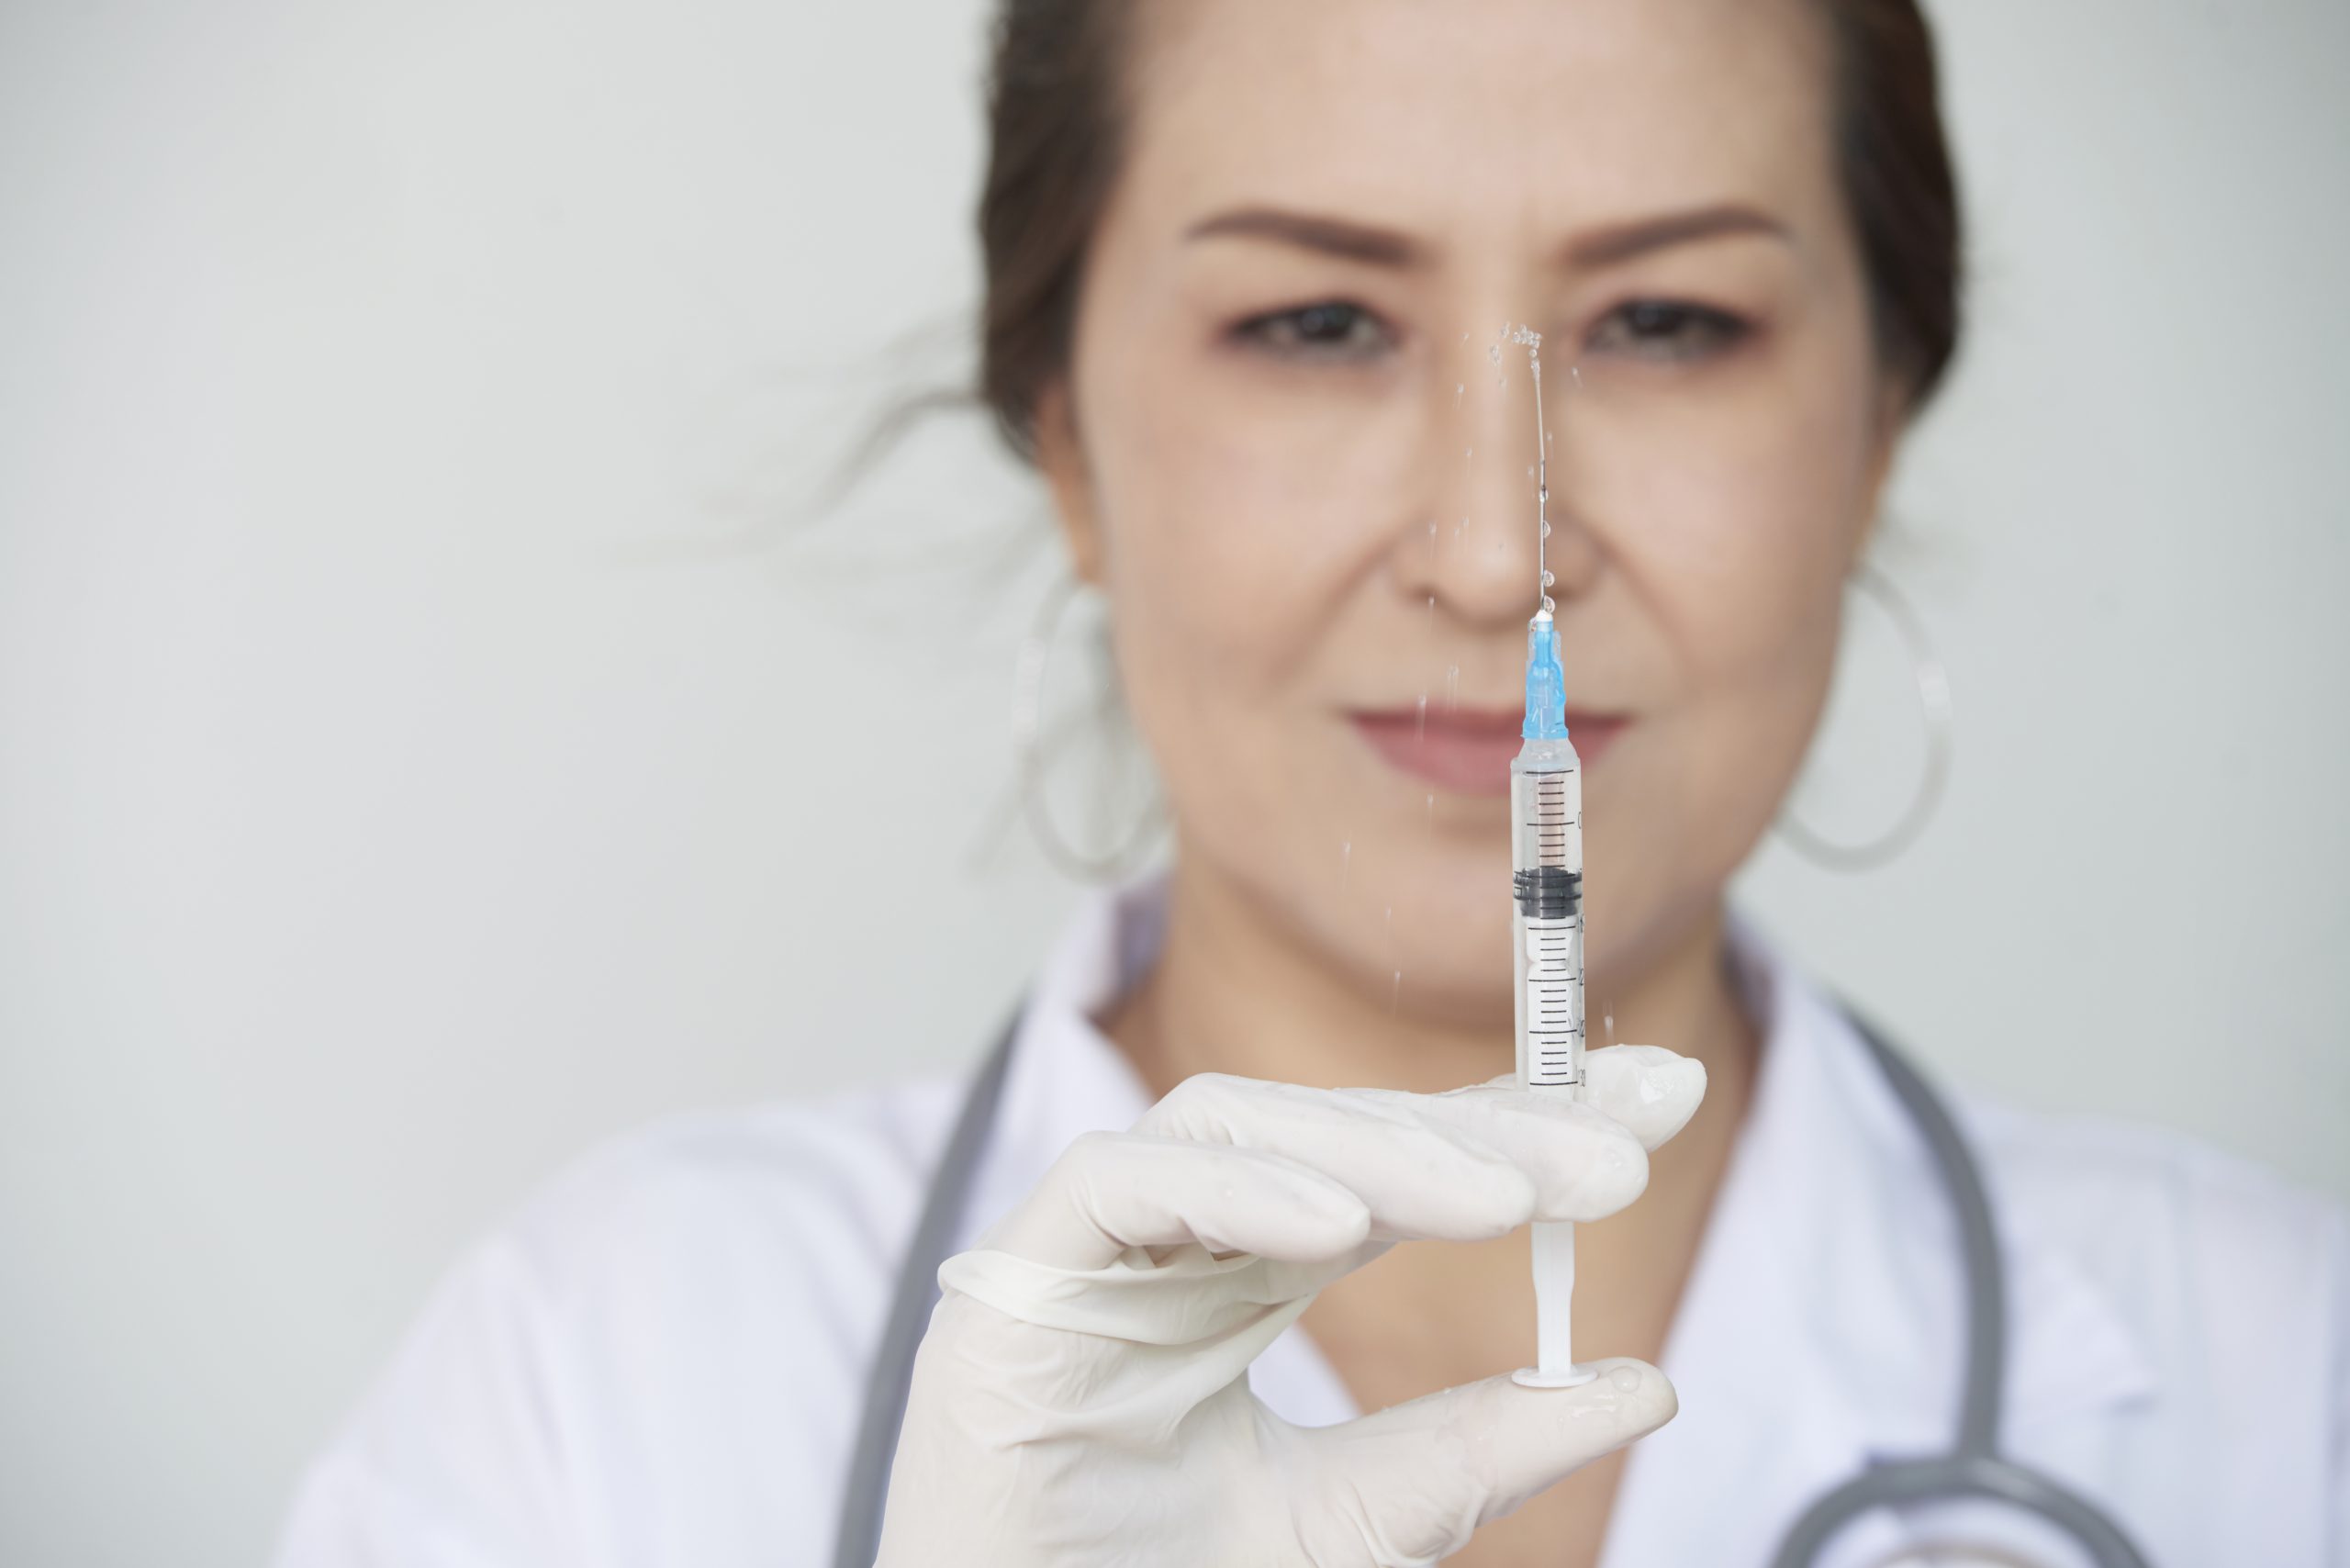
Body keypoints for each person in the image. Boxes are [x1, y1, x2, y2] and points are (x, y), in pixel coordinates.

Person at [276, 0, 2348, 1564]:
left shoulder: (2274, 1377)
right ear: (1064, 430)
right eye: (1317, 319)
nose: (1489, 545)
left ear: (1879, 420)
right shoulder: (600, 1390)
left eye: (1661, 318)